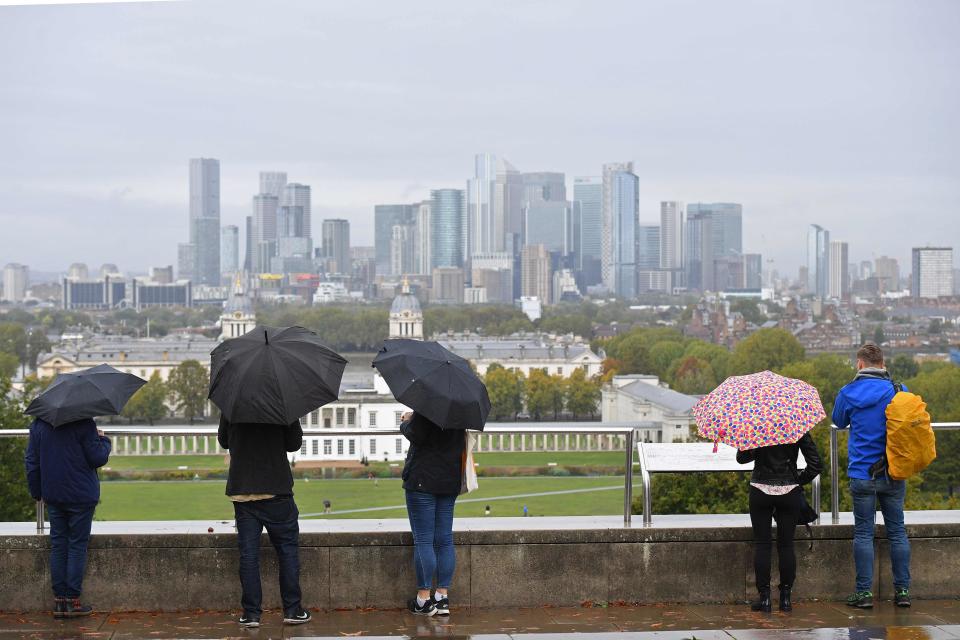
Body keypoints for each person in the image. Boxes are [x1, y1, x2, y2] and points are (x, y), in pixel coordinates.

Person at [833, 343, 912, 609]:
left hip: (862, 473)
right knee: (897, 532)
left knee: (864, 533)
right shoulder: (898, 390)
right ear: (883, 363)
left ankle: (864, 593)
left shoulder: (848, 392)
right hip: (894, 471)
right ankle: (902, 592)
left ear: (860, 364)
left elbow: (839, 421)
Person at [218, 416, 312, 628]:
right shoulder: (281, 400)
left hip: (243, 490)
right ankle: (292, 609)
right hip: (275, 488)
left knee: (249, 555)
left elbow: (224, 441)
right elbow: (294, 443)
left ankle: (251, 614)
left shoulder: (232, 401)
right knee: (287, 550)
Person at [24, 417, 111, 618]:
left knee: (58, 544)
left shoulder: (39, 424)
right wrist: (104, 440)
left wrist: (37, 492)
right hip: (81, 495)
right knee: (77, 545)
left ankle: (60, 602)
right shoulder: (84, 422)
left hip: (53, 493)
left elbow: (32, 461)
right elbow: (98, 458)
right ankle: (72, 601)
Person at [736, 432, 821, 613]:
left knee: (763, 545)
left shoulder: (756, 426)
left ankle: (765, 599)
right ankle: (785, 599)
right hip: (789, 491)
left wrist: (753, 444)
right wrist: (797, 481)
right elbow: (816, 464)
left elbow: (741, 458)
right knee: (786, 546)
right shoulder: (796, 426)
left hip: (760, 489)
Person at [400, 410, 465, 617]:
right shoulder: (460, 408)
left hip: (423, 480)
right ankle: (442, 596)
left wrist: (406, 421)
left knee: (424, 540)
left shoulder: (428, 405)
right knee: (445, 540)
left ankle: (423, 599)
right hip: (449, 480)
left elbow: (416, 434)